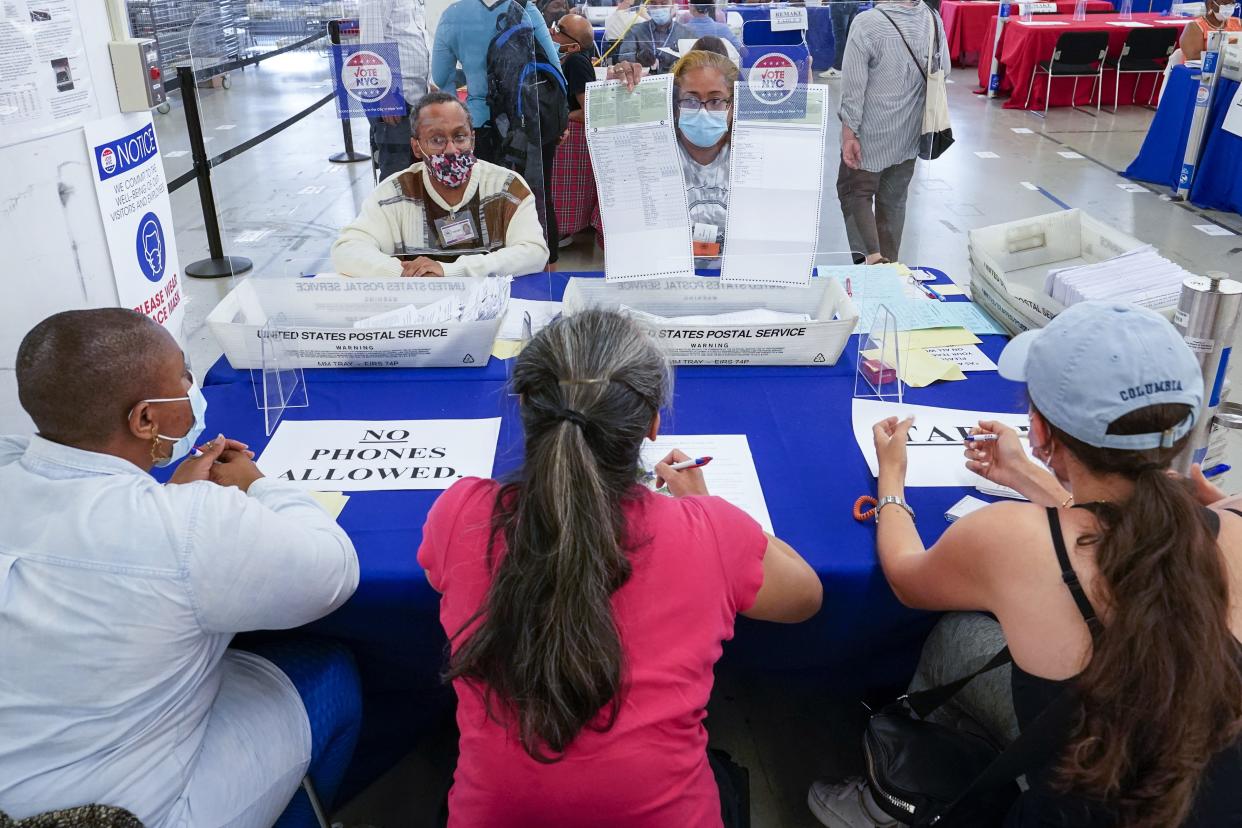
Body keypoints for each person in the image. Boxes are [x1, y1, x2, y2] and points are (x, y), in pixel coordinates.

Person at [809, 301, 1242, 827]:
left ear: (1039, 430)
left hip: (1070, 807)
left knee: (956, 633)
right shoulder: (1230, 521)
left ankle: (905, 790)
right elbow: (1130, 535)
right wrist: (1037, 480)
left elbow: (905, 575)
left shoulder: (1009, 538)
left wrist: (892, 479)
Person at [419, 309, 822, 826]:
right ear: (652, 424)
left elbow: (441, 576)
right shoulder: (711, 532)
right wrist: (715, 510)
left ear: (524, 406)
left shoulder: (462, 514)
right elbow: (806, 596)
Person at [0, 309, 361, 828]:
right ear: (145, 419)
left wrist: (170, 495)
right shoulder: (188, 527)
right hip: (120, 813)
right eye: (183, 377)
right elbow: (334, 570)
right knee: (328, 672)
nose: (193, 385)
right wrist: (259, 485)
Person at [331, 91, 550, 278]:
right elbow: (346, 250)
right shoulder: (394, 194)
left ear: (472, 139)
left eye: (460, 137)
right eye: (437, 140)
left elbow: (534, 252)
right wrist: (405, 273)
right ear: (417, 148)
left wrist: (449, 271)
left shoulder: (506, 187)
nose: (451, 150)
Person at [431, 0, 566, 268]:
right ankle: (546, 275)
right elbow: (554, 69)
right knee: (536, 197)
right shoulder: (526, 7)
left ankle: (489, 272)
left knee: (483, 202)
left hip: (480, 126)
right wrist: (557, 122)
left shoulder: (453, 16)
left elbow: (440, 77)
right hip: (529, 121)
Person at [837, 0, 947, 264]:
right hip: (910, 132)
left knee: (855, 191)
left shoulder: (866, 24)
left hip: (870, 133)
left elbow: (853, 87)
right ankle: (889, 264)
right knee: (894, 200)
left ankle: (870, 260)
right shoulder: (932, 20)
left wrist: (849, 134)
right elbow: (943, 72)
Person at [607, 50, 739, 268]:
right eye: (690, 100)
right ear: (675, 106)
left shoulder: (749, 156)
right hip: (663, 279)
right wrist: (616, 93)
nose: (703, 111)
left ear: (732, 105)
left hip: (737, 283)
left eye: (715, 100)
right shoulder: (648, 154)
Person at [360, 0, 432, 181]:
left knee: (415, 167)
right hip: (393, 96)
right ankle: (390, 209)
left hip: (414, 94)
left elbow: (413, 36)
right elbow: (370, 46)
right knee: (397, 171)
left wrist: (428, 82)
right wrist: (385, 95)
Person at [550, 13, 600, 241]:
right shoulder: (564, 60)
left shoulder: (577, 63)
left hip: (571, 144)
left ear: (573, 45)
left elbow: (589, 110)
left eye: (559, 29)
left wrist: (562, 116)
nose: (552, 31)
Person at [618, 0, 695, 73]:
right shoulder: (635, 31)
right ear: (647, 5)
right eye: (653, 3)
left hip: (675, 82)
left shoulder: (686, 33)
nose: (658, 8)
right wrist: (638, 57)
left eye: (664, 3)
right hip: (644, 80)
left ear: (672, 3)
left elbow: (693, 62)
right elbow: (624, 57)